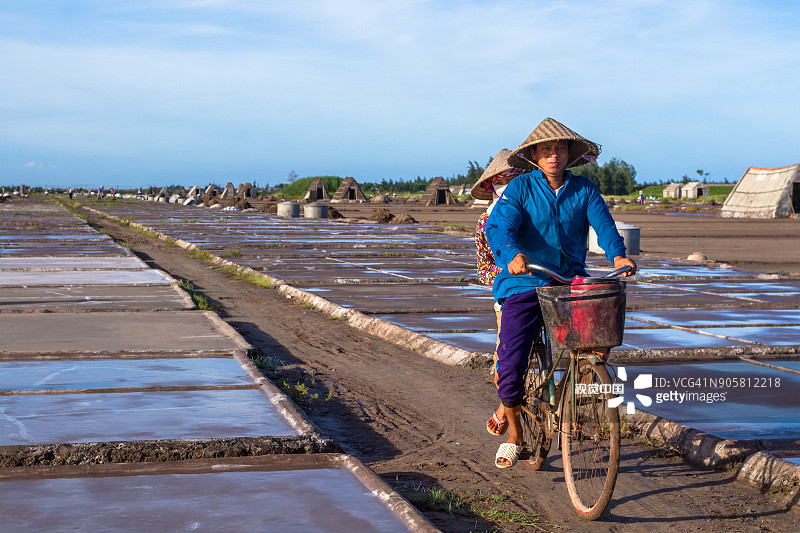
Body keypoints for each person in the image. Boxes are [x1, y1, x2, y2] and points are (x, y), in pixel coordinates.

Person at [486, 118, 637, 468]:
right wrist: (511, 255)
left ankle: (577, 392)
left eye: (560, 148)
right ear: (535, 156)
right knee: (509, 369)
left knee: (597, 336)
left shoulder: (584, 190)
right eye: (546, 149)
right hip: (525, 283)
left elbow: (605, 226)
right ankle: (515, 434)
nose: (554, 155)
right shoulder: (521, 188)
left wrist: (617, 253)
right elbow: (500, 225)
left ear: (570, 153)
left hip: (569, 283)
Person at [470, 149, 524, 437]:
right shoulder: (484, 221)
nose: (507, 183)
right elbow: (484, 267)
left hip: (541, 285)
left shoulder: (530, 211)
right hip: (508, 295)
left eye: (513, 177)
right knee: (505, 361)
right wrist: (506, 272)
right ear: (491, 186)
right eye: (501, 180)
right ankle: (506, 408)